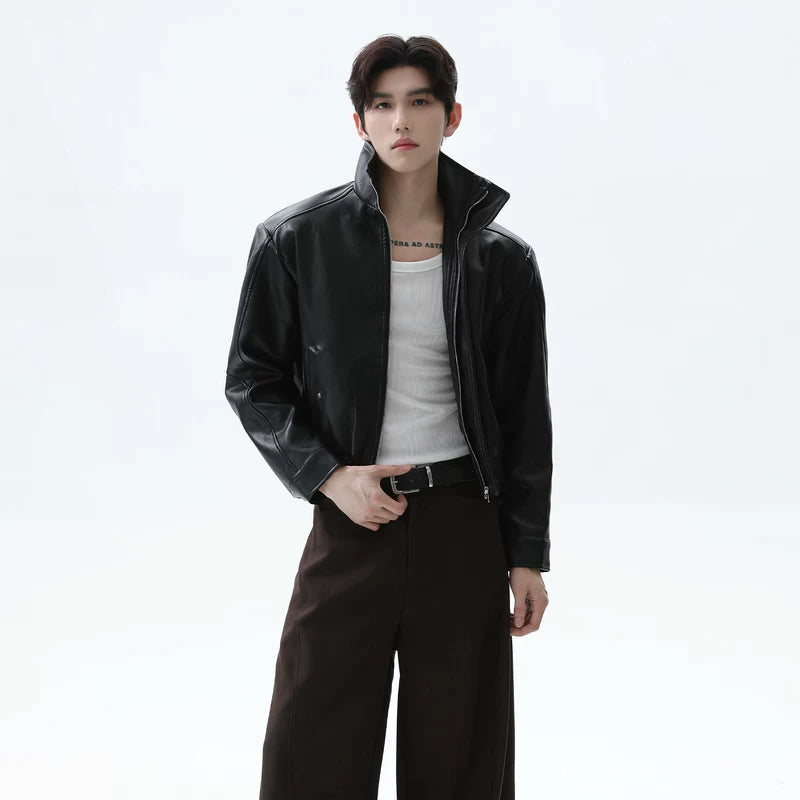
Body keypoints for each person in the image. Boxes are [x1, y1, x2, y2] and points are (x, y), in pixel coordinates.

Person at [224, 33, 552, 800]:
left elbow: (524, 417)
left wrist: (526, 554)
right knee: (312, 750)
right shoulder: (296, 240)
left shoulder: (501, 260)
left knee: (460, 762)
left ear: (452, 116)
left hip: (463, 527)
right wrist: (329, 476)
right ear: (360, 122)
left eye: (420, 102)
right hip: (352, 525)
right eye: (381, 105)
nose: (400, 120)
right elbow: (253, 378)